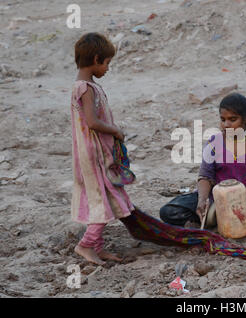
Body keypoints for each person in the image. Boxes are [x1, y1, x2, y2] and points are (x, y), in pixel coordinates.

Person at [160, 93, 246, 232]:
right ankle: (206, 221)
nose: (226, 125)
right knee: (169, 211)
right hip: (213, 197)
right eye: (223, 119)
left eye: (232, 119)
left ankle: (213, 222)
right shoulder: (214, 142)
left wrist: (233, 198)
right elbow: (205, 176)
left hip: (243, 199)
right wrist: (202, 200)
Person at [70, 32, 133, 265]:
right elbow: (93, 122)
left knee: (103, 195)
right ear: (96, 59)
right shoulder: (85, 88)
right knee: (101, 199)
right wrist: (115, 131)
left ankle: (97, 247)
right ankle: (86, 245)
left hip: (96, 152)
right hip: (93, 155)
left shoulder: (88, 86)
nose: (107, 68)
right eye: (107, 63)